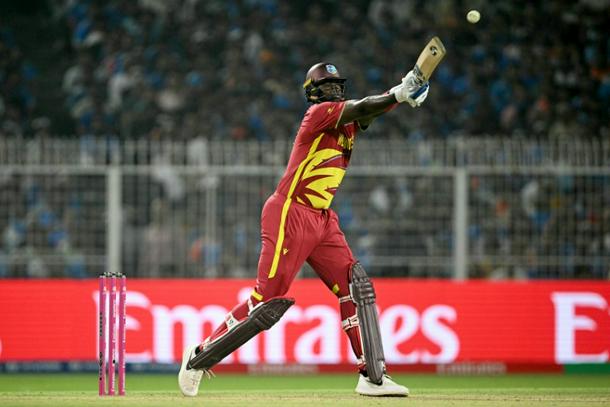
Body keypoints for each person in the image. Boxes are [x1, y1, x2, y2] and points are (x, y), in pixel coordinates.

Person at [178, 62, 429, 397]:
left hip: (322, 219)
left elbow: (371, 110)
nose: (333, 90)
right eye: (326, 86)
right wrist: (401, 92)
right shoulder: (319, 113)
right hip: (289, 211)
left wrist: (405, 93)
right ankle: (198, 358)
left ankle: (373, 376)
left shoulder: (348, 122)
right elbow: (365, 106)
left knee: (356, 287)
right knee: (266, 302)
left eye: (337, 85)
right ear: (313, 94)